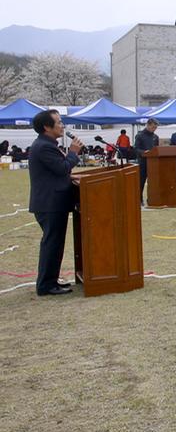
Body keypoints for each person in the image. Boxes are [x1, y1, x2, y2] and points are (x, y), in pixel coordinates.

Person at [28, 109, 83, 296]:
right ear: (46, 127)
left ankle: (50, 280)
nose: (62, 126)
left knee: (54, 243)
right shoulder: (44, 146)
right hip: (49, 203)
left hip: (52, 202)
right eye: (58, 122)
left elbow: (57, 172)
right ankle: (46, 285)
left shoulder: (47, 144)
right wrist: (74, 153)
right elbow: (62, 168)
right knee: (52, 243)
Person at [134, 118, 160, 204]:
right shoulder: (140, 135)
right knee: (141, 182)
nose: (154, 129)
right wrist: (143, 152)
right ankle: (139, 199)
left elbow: (157, 149)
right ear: (148, 125)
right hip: (143, 163)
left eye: (155, 128)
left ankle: (152, 199)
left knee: (153, 182)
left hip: (153, 164)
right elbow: (136, 149)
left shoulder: (156, 137)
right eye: (153, 127)